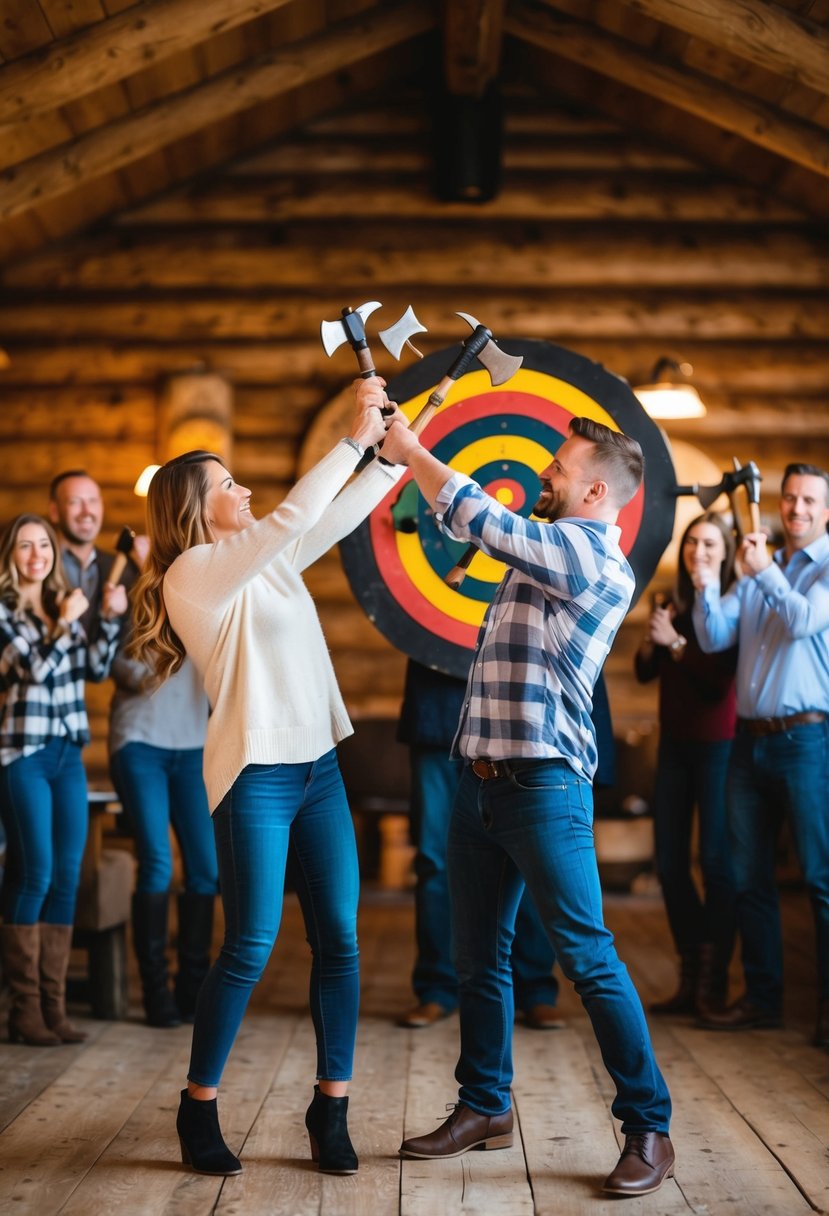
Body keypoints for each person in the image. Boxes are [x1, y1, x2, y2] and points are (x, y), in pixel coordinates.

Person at [380, 415, 674, 1197]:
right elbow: (462, 518)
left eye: (560, 465)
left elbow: (485, 519)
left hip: (542, 785)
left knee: (585, 956)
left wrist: (412, 451)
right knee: (479, 957)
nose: (544, 471)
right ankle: (484, 1104)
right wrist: (409, 461)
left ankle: (648, 1124)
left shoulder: (588, 554)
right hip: (480, 781)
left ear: (596, 489)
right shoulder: (548, 547)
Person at [128, 378, 403, 1178]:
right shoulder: (195, 575)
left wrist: (391, 456)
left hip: (318, 766)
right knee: (248, 943)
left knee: (341, 940)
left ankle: (331, 1106)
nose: (242, 488)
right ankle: (198, 1105)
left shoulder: (270, 564)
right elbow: (290, 516)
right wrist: (353, 437)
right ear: (191, 508)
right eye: (225, 483)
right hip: (254, 775)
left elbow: (328, 517)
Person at [692, 463, 829, 1046]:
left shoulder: (819, 569)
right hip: (747, 744)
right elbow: (714, 635)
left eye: (809, 501)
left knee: (821, 879)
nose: (796, 508)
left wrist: (764, 570)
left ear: (826, 511)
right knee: (750, 878)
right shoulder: (756, 561)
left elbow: (800, 621)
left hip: (806, 741)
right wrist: (704, 581)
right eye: (790, 497)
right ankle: (764, 1000)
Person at [0, 514, 126, 1046]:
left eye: (43, 545)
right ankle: (23, 1010)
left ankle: (53, 1011)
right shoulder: (5, 613)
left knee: (68, 877)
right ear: (10, 556)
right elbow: (32, 670)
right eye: (25, 546)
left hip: (67, 753)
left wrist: (110, 619)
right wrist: (63, 623)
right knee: (35, 873)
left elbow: (93, 670)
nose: (37, 555)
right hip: (23, 753)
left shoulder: (64, 604)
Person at [109, 532, 217, 1029]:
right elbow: (124, 670)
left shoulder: (206, 588)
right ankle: (155, 993)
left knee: (205, 869)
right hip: (141, 742)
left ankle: (191, 988)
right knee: (156, 863)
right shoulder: (126, 591)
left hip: (194, 744)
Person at [635, 512, 738, 1017]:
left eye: (711, 544)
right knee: (671, 863)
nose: (699, 550)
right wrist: (652, 639)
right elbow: (642, 673)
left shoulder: (733, 605)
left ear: (727, 552)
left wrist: (675, 644)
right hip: (674, 747)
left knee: (716, 862)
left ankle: (713, 984)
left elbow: (718, 684)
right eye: (693, 542)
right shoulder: (671, 601)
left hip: (719, 747)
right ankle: (691, 972)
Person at [48, 470, 130, 640]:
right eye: (75, 502)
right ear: (55, 512)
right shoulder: (38, 567)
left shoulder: (124, 569)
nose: (86, 511)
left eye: (92, 501)